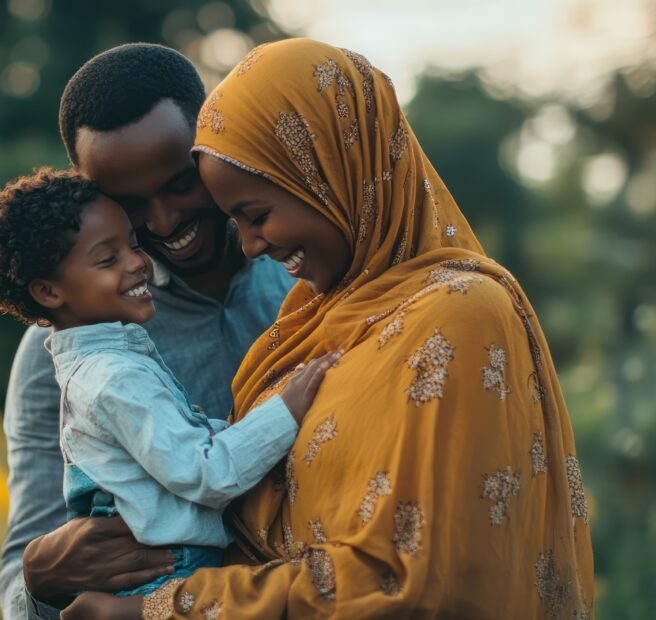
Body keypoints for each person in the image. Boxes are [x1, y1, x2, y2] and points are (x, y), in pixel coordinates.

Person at [65, 38, 596, 619]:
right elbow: (64, 562)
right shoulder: (306, 317)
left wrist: (166, 609)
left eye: (257, 214)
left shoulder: (457, 314)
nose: (252, 244)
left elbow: (404, 581)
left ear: (329, 176)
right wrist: (41, 580)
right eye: (131, 205)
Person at [0, 45, 295, 619]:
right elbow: (22, 582)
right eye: (129, 204)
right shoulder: (60, 352)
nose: (162, 222)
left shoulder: (302, 271)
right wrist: (39, 581)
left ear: (212, 148)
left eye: (181, 184)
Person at [0, 168, 337, 611]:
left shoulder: (305, 279)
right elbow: (206, 471)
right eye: (109, 259)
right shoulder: (112, 377)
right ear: (48, 292)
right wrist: (286, 409)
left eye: (133, 245)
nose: (140, 259)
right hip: (164, 580)